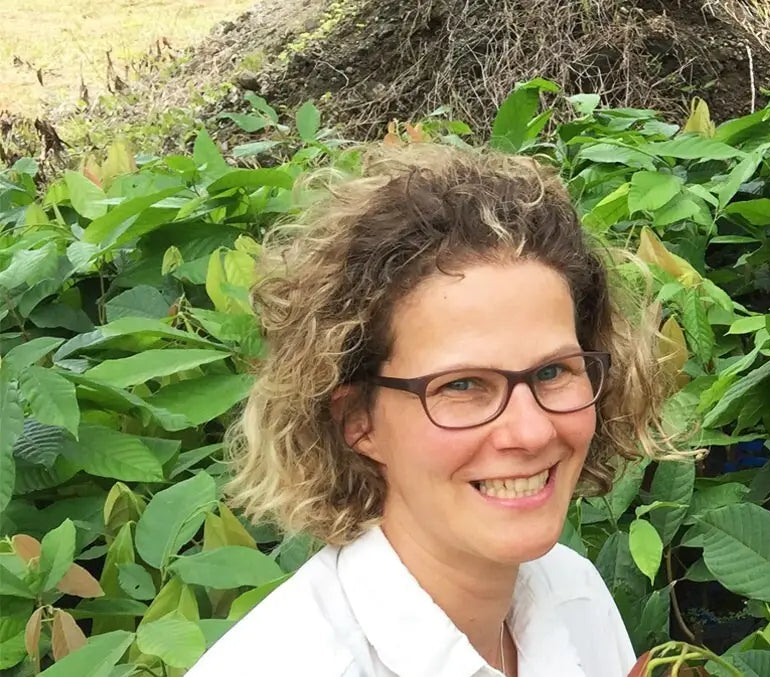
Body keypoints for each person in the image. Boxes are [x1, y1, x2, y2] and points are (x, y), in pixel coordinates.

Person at [190, 143, 669, 676]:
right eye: (463, 385)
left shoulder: (572, 592)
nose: (531, 431)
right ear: (357, 421)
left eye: (554, 372)